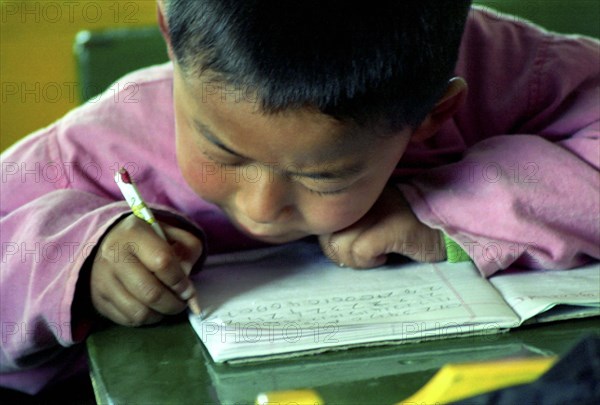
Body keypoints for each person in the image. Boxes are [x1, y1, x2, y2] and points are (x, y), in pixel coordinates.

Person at [1, 0, 598, 395]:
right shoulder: (101, 144)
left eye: (324, 177)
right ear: (171, 39)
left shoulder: (510, 70)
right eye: (226, 154)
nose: (262, 208)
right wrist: (79, 261)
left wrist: (440, 208)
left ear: (432, 116)